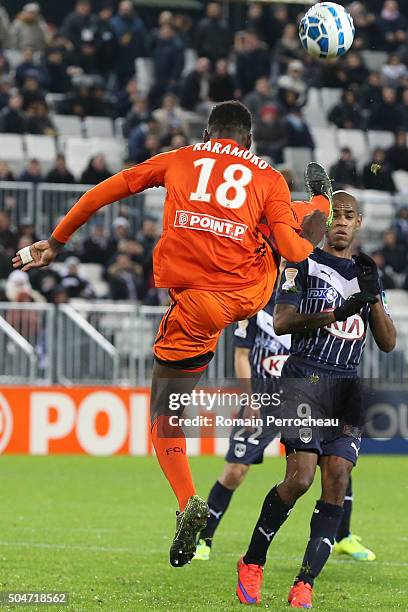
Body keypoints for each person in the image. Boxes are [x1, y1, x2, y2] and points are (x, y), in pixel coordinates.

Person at [12, 101, 330, 568]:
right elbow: (295, 251)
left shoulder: (180, 158)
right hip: (249, 293)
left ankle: (187, 503)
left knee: (164, 415)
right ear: (249, 141)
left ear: (207, 133)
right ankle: (318, 201)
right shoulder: (267, 177)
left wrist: (57, 241)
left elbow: (105, 191)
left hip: (196, 306)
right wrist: (320, 205)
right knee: (281, 222)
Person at [236, 189, 396, 608]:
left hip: (346, 387)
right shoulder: (302, 262)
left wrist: (373, 295)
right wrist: (336, 314)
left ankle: (304, 583)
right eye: (336, 214)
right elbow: (282, 320)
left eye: (349, 216)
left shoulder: (366, 270)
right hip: (304, 378)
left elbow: (388, 342)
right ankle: (252, 561)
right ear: (326, 222)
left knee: (338, 479)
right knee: (301, 478)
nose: (341, 221)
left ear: (359, 223)